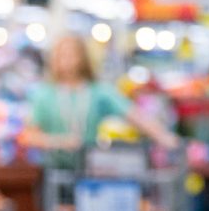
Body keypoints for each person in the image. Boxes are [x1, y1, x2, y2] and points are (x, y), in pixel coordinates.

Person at [26, 36, 176, 167]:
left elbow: (133, 114)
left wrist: (165, 138)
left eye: (72, 54)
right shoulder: (44, 95)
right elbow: (30, 136)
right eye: (62, 55)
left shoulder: (98, 91)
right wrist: (59, 142)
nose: (67, 60)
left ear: (82, 57)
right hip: (53, 172)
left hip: (89, 169)